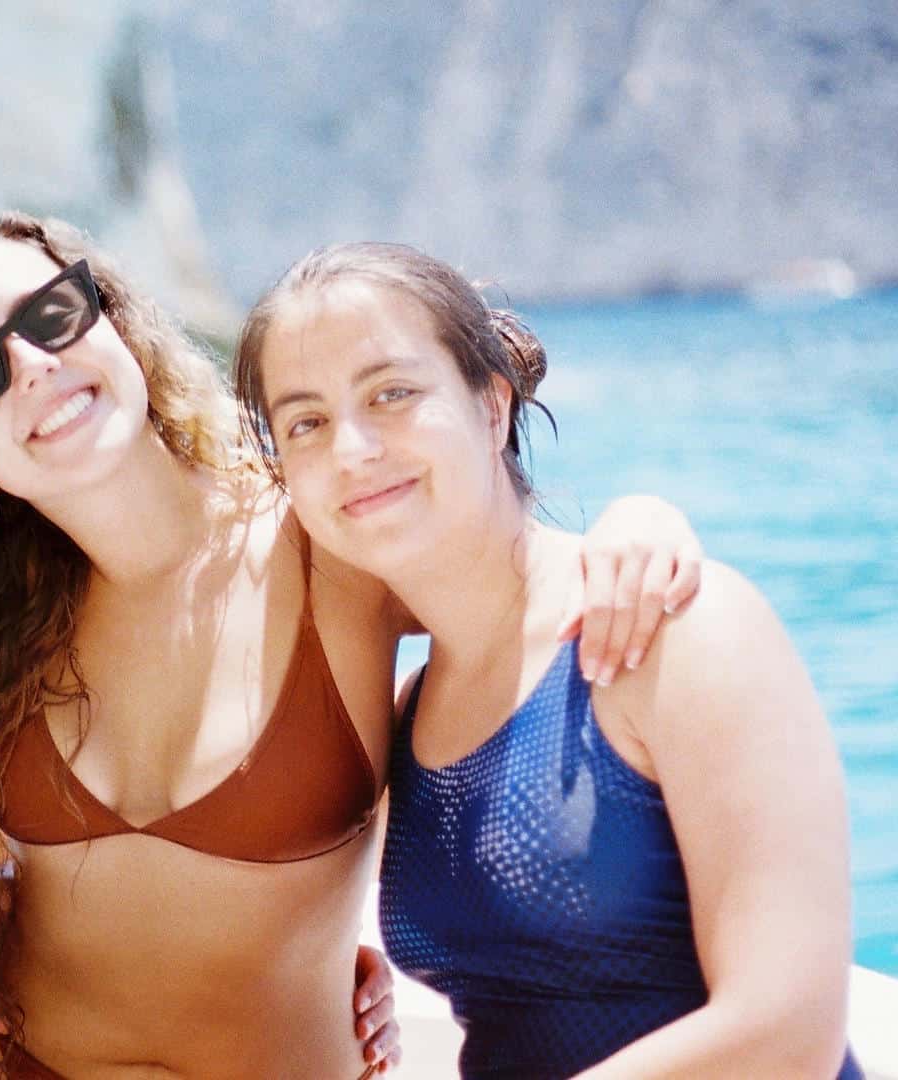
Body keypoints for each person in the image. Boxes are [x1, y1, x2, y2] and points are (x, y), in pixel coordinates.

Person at [0, 213, 705, 1077]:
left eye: (50, 318)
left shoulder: (328, 547)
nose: (29, 369)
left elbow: (513, 575)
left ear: (115, 323)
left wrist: (640, 518)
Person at [233, 241, 862, 1078]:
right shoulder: (410, 714)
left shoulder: (678, 633)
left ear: (492, 407)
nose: (351, 448)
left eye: (392, 394)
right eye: (305, 421)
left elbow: (788, 1035)